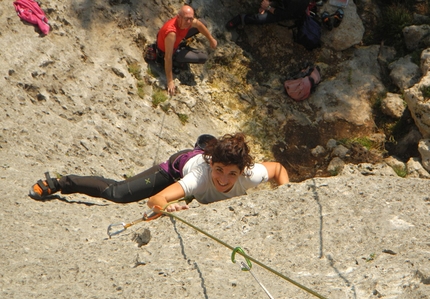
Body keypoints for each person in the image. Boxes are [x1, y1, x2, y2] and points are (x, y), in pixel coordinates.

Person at [29, 133, 289, 213]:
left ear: (242, 172)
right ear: (212, 165)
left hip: (202, 162)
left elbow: (277, 169)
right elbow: (156, 200)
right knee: (118, 193)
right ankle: (60, 182)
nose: (223, 179)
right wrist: (167, 207)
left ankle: (204, 145)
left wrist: (286, 193)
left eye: (232, 174)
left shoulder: (251, 174)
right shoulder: (198, 177)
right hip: (177, 168)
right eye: (219, 170)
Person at [157, 5, 217, 96]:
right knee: (202, 58)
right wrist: (170, 81)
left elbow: (199, 25)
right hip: (169, 51)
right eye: (186, 19)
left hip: (177, 41)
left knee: (203, 23)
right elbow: (167, 57)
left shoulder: (186, 22)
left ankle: (181, 46)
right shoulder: (171, 33)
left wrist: (211, 39)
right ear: (178, 17)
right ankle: (177, 59)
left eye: (191, 19)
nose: (189, 22)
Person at [226, 0, 310, 29]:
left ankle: (241, 19)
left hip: (286, 10)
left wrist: (268, 7)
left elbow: (282, 14)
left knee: (260, 18)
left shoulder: (299, 2)